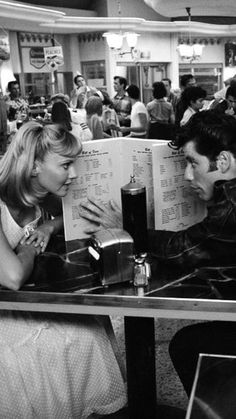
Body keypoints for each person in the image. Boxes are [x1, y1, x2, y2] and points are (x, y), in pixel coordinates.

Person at [78, 110, 236, 399]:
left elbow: (183, 249)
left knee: (187, 345)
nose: (187, 176)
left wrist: (126, 227)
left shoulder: (231, 208)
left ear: (222, 161)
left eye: (192, 163)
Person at [0, 122, 127, 417]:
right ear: (33, 166)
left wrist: (49, 225)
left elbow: (64, 217)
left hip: (25, 301)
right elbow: (12, 277)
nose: (75, 174)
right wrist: (30, 247)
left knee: (92, 325)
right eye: (66, 165)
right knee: (56, 346)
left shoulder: (42, 193)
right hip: (7, 309)